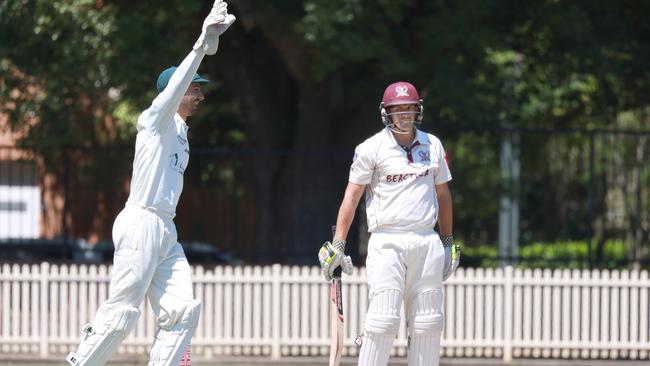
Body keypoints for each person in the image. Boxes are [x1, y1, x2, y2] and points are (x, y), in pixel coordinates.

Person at [65, 2, 235, 365]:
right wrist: (200, 47)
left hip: (165, 229)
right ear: (175, 92)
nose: (200, 96)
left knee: (184, 311)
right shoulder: (156, 120)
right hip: (140, 222)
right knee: (122, 314)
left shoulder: (182, 133)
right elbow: (173, 91)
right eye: (195, 89)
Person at [318, 81, 460, 366]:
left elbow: (443, 195)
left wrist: (446, 243)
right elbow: (352, 196)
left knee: (428, 323)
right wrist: (338, 245)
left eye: (410, 109)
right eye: (399, 110)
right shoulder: (371, 148)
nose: (405, 116)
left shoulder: (433, 145)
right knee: (382, 320)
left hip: (426, 240)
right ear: (387, 113)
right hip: (387, 242)